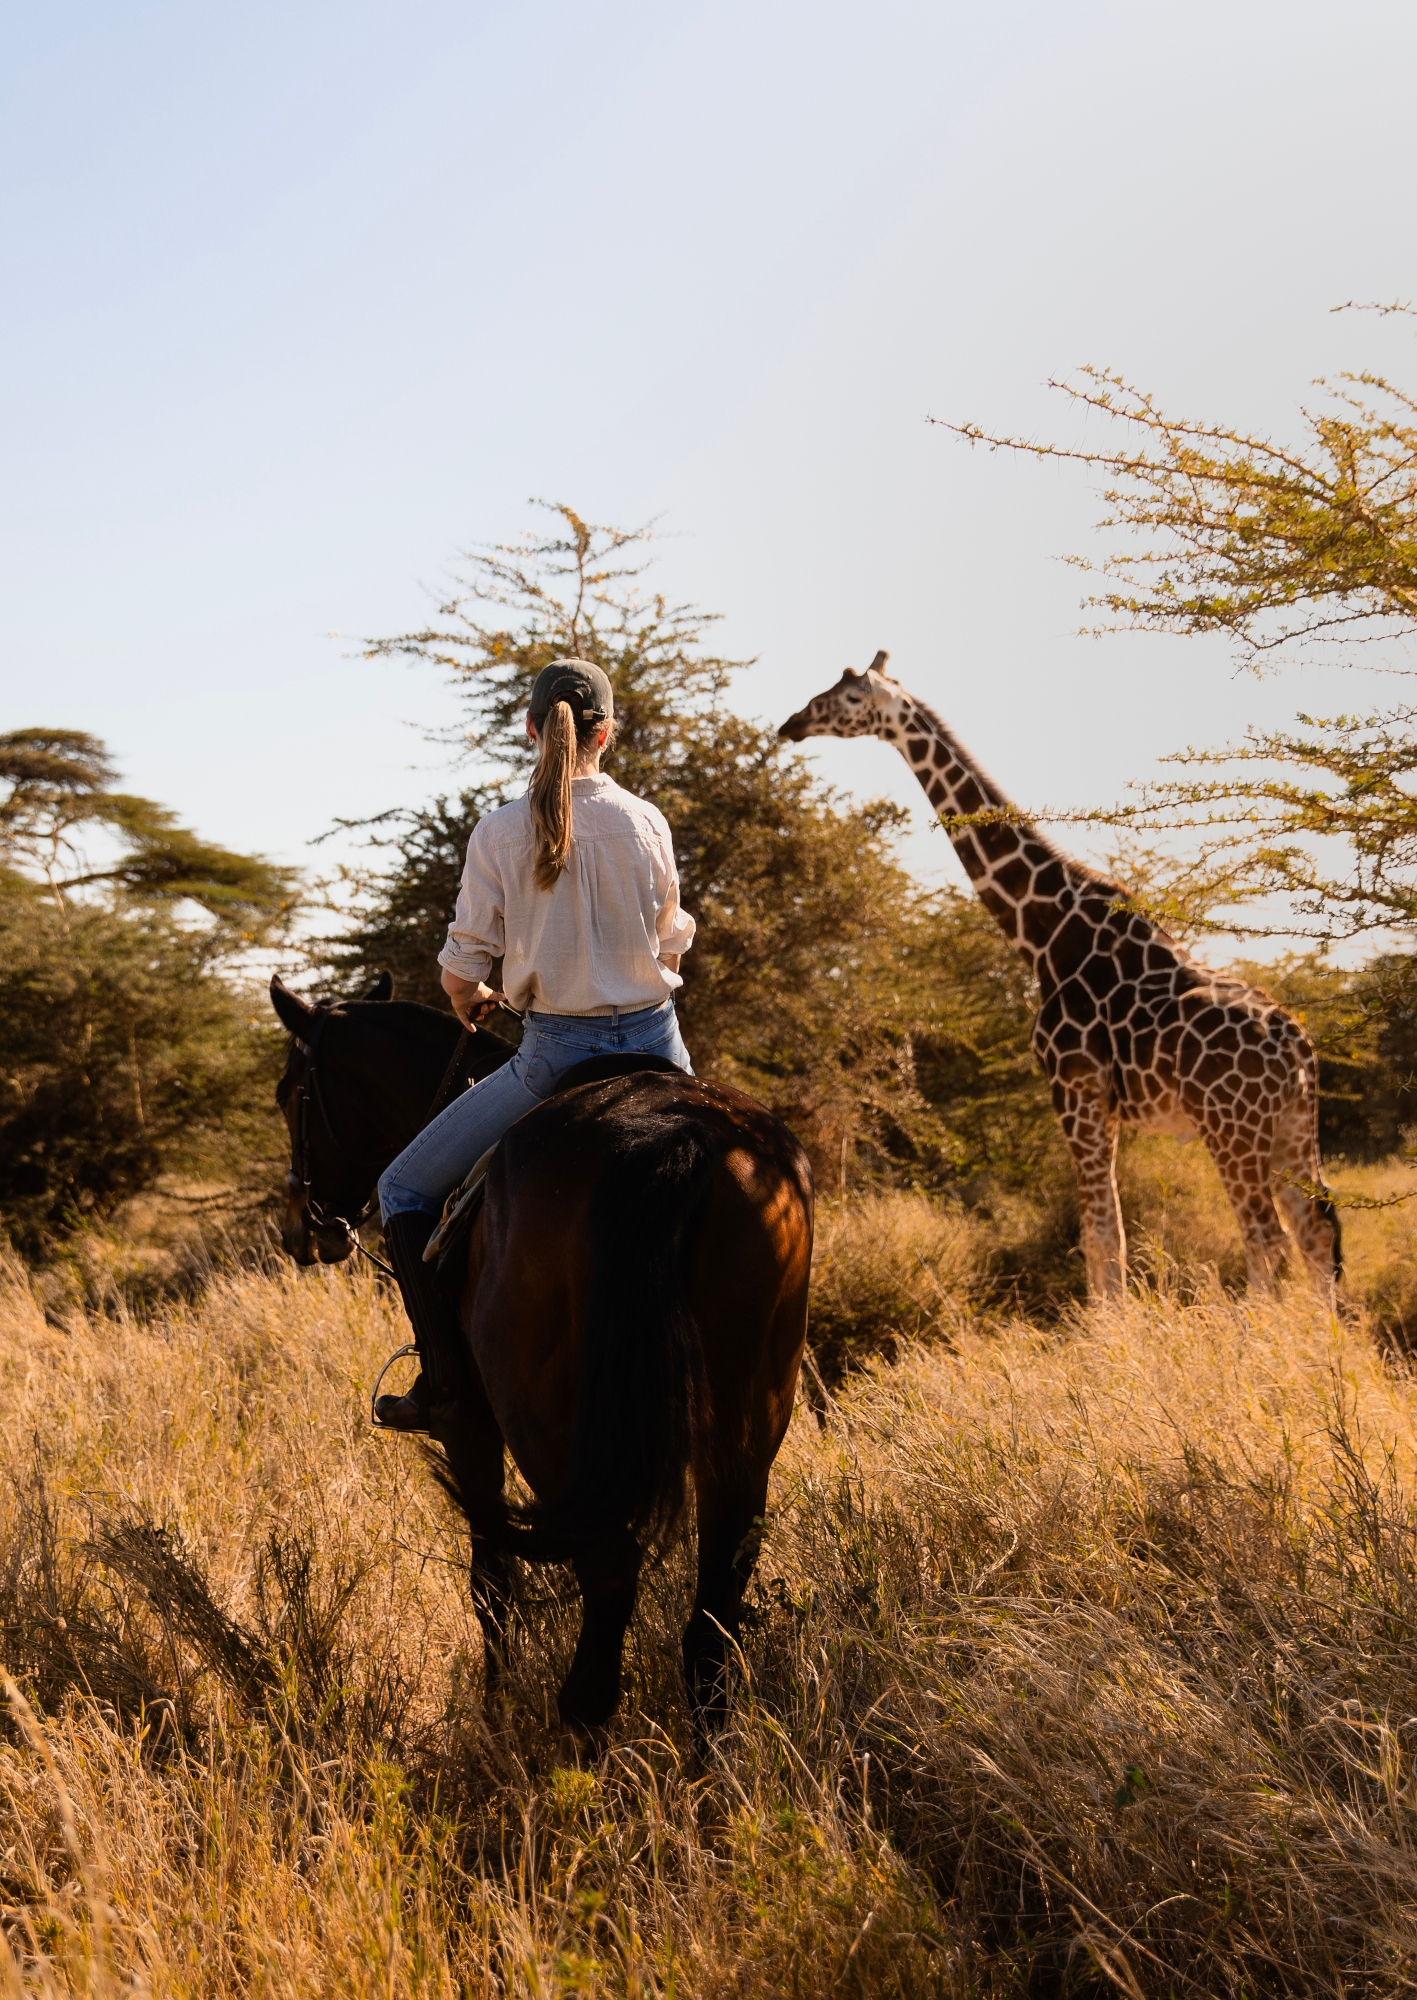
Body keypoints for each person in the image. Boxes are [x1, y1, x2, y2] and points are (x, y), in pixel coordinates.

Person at [373, 658, 696, 1433]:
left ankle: (445, 1383)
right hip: (660, 1044)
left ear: (529, 728)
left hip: (556, 1054)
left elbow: (462, 965)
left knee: (401, 1193)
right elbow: (671, 939)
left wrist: (472, 998)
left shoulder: (499, 831)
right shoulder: (645, 819)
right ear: (605, 735)